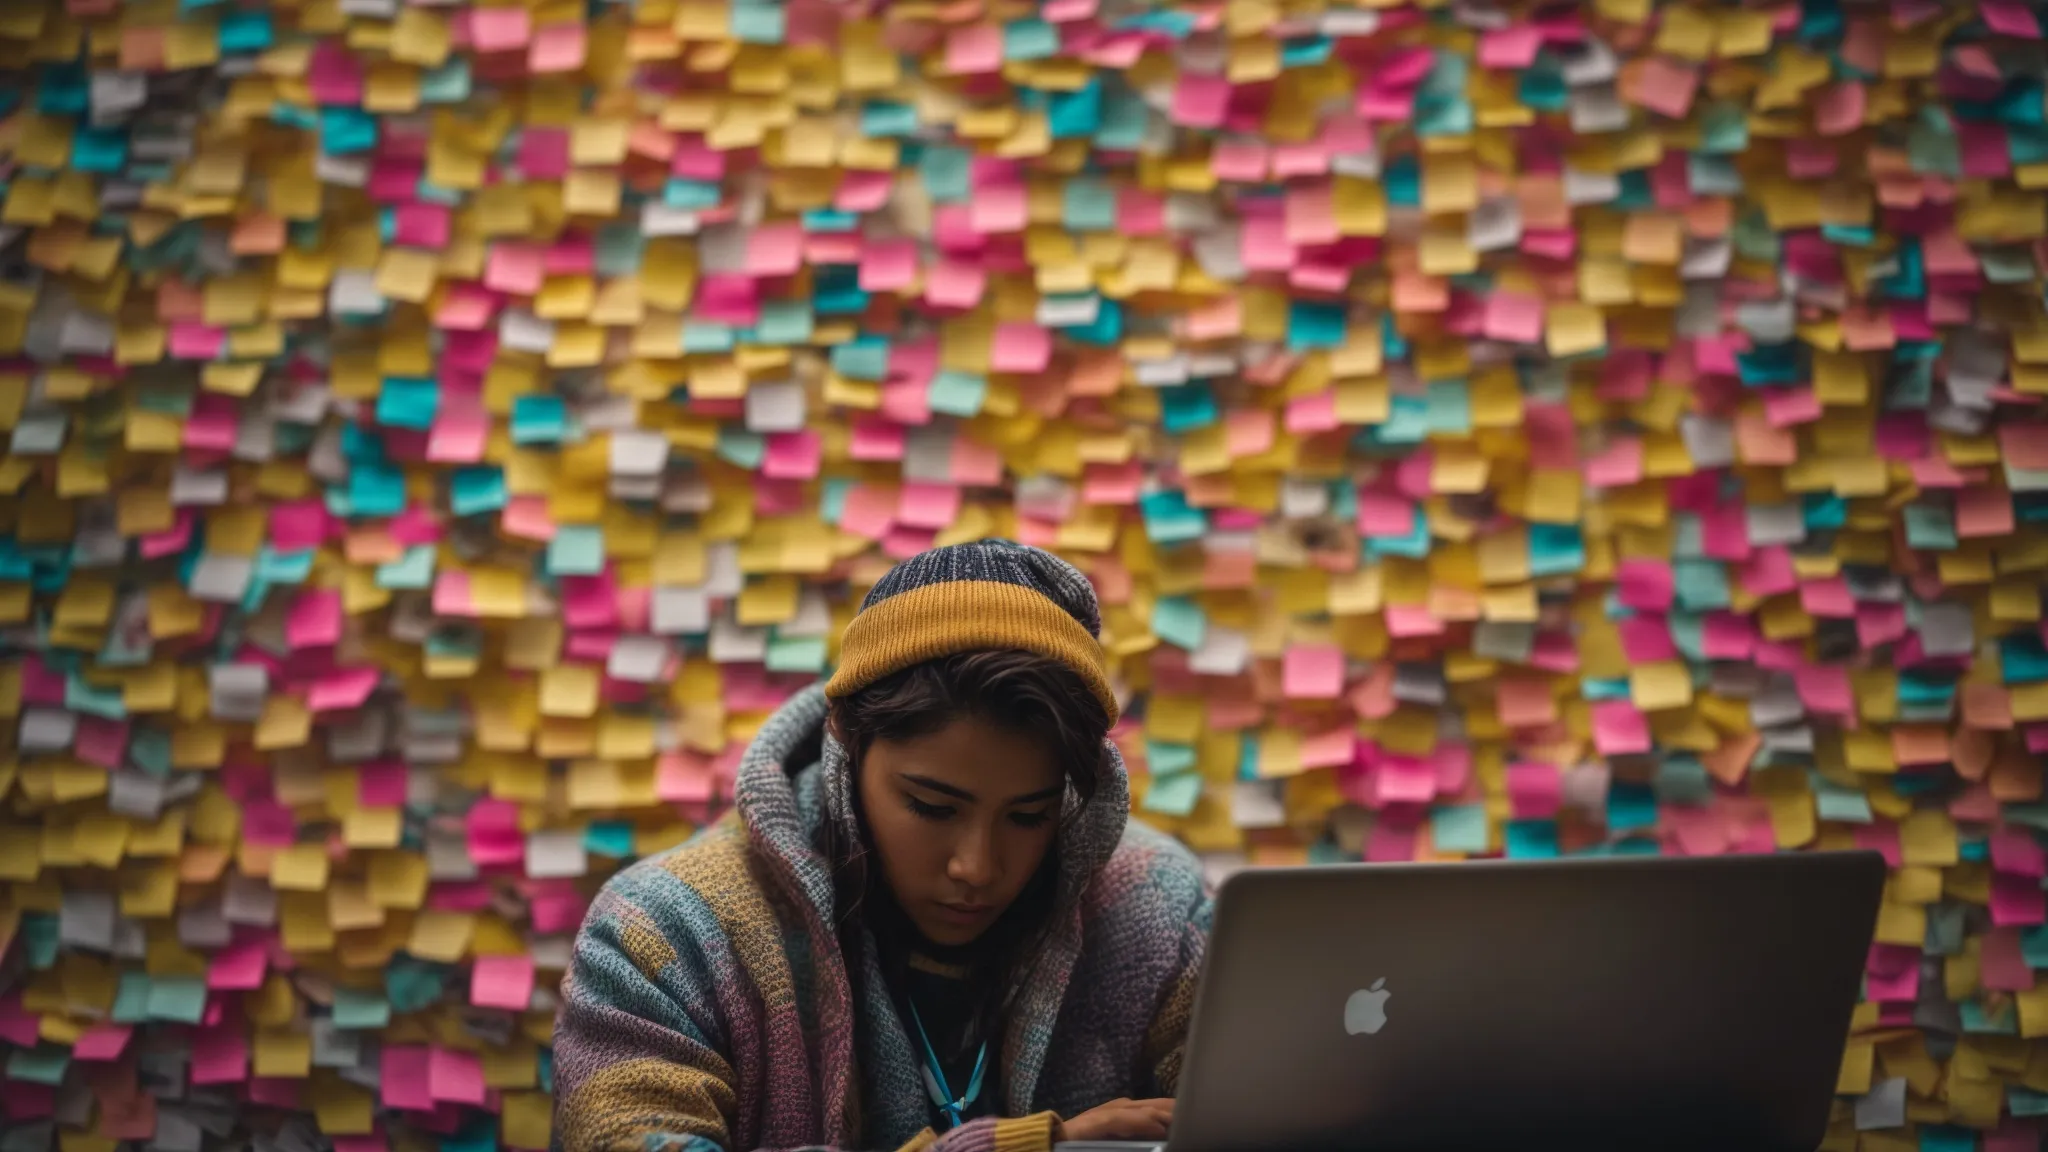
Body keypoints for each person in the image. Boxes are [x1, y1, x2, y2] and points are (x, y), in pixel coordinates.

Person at [553, 541, 1213, 1152]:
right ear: (846, 742)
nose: (976, 868)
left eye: (1029, 816)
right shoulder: (667, 935)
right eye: (931, 807)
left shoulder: (1159, 910)